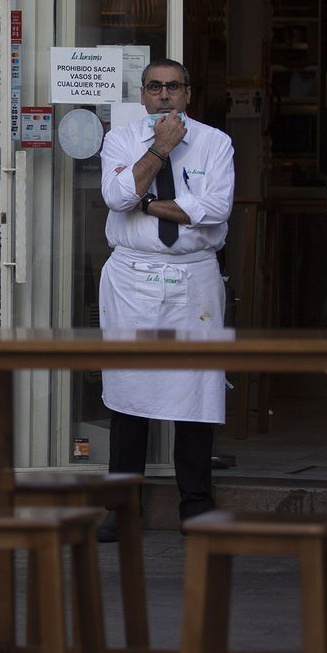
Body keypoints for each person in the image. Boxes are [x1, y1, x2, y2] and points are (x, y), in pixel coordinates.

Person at [95, 58, 235, 542]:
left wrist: (148, 202)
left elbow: (215, 211)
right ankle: (122, 507)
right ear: (142, 94)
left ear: (189, 94)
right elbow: (116, 196)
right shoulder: (120, 139)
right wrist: (160, 149)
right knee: (128, 394)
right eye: (155, 87)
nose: (164, 96)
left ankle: (196, 503)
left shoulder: (216, 143)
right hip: (133, 278)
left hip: (193, 279)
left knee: (196, 391)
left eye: (174, 86)